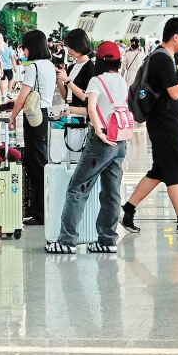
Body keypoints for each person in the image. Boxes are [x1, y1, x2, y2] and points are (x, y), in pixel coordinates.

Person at [121, 17, 178, 235]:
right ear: (176, 36)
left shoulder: (160, 57)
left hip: (161, 121)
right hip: (165, 122)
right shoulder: (162, 59)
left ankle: (128, 210)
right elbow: (175, 92)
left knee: (160, 170)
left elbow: (172, 85)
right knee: (175, 169)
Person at [45, 41, 129, 254]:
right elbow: (98, 109)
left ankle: (66, 241)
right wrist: (68, 110)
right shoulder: (121, 80)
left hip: (100, 142)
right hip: (119, 142)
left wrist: (99, 132)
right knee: (111, 192)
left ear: (98, 60)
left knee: (77, 189)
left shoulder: (97, 80)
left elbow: (91, 108)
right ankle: (108, 240)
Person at [7, 30, 56, 226]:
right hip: (47, 115)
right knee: (43, 161)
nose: (24, 52)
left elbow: (22, 98)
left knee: (36, 165)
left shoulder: (33, 67)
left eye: (24, 48)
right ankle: (46, 210)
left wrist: (12, 117)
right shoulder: (50, 65)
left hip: (34, 117)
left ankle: (40, 213)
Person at [56, 28, 94, 117]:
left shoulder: (90, 67)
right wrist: (59, 80)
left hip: (81, 114)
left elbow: (85, 97)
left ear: (81, 45)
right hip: (69, 112)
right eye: (69, 47)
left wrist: (67, 80)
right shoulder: (71, 67)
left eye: (72, 47)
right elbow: (65, 96)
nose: (70, 50)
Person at [0, 37, 17, 103]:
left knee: (2, 80)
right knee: (11, 79)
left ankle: (3, 95)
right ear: (6, 42)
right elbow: (12, 59)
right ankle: (9, 92)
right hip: (8, 67)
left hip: (1, 68)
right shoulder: (9, 49)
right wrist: (15, 67)